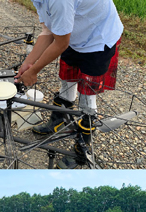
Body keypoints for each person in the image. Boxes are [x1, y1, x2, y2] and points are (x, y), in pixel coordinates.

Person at [14, 0, 123, 138]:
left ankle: (83, 148)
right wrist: (28, 62)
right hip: (73, 32)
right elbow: (49, 32)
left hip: (98, 38)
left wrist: (34, 71)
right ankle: (61, 121)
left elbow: (61, 44)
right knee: (67, 78)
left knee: (87, 94)